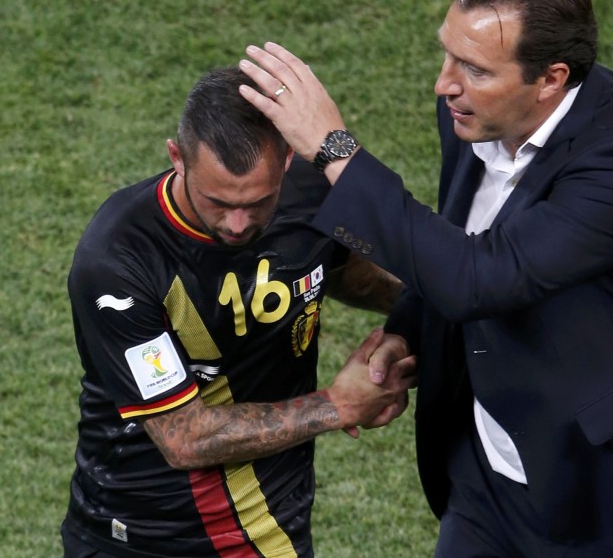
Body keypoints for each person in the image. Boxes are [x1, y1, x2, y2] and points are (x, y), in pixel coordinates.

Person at [236, 0, 613, 558]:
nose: (444, 84)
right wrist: (406, 334)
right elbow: (460, 240)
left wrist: (334, 151)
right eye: (448, 53)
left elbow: (480, 276)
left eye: (475, 68)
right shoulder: (473, 112)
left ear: (551, 79)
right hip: (492, 476)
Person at [60, 66, 416, 558]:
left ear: (288, 161)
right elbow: (183, 437)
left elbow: (346, 272)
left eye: (258, 203)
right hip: (143, 536)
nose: (238, 224)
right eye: (219, 202)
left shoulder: (309, 193)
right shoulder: (120, 260)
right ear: (176, 158)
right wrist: (339, 404)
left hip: (270, 528)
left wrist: (425, 315)